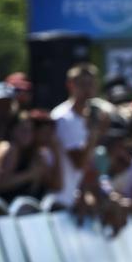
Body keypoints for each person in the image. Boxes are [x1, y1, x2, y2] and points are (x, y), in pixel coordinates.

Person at [51, 63, 108, 210]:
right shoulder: (63, 118)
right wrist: (94, 134)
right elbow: (79, 163)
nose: (87, 90)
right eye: (82, 84)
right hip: (59, 201)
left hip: (74, 200)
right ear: (70, 85)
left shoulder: (89, 118)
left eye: (91, 84)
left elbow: (87, 166)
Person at [0, 109, 63, 201]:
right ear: (13, 130)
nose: (27, 134)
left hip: (27, 210)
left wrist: (56, 151)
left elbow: (57, 186)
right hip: (7, 211)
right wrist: (29, 175)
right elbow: (0, 184)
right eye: (23, 130)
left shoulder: (37, 155)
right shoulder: (9, 148)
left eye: (30, 130)